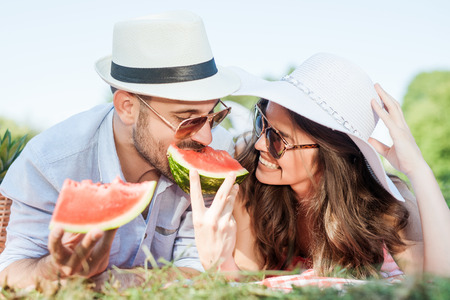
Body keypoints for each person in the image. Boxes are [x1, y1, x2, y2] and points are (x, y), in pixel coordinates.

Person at [0, 10, 241, 288]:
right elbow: (9, 273)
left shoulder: (217, 150)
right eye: (187, 118)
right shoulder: (50, 163)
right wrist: (53, 270)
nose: (207, 137)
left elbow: (198, 267)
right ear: (128, 107)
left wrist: (117, 280)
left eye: (213, 115)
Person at [190, 53, 450, 279]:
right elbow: (245, 280)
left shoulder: (386, 205)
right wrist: (219, 263)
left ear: (330, 155)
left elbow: (440, 283)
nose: (259, 144)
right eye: (261, 123)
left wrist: (418, 170)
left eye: (277, 139)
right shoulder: (251, 179)